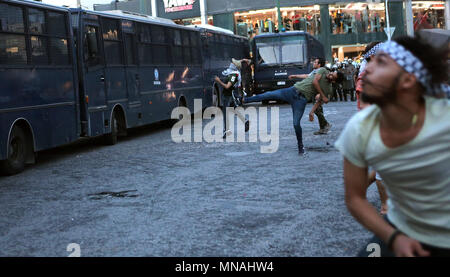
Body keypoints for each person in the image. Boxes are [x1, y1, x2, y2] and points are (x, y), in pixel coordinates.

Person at [335, 35, 450, 257]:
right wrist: (394, 237)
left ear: (407, 80)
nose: (366, 70)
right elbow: (354, 198)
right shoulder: (361, 128)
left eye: (381, 62)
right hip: (402, 229)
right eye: (370, 61)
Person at [242, 59, 344, 154]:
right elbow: (314, 81)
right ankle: (245, 100)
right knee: (268, 94)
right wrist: (322, 95)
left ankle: (300, 146)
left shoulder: (329, 89)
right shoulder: (323, 70)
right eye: (332, 73)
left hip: (301, 101)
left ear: (334, 81)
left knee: (296, 124)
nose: (330, 75)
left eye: (332, 76)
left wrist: (312, 112)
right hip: (292, 91)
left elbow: (320, 102)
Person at [214, 59, 250, 138]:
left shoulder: (234, 75)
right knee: (234, 110)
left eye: (232, 63)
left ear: (234, 66)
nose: (231, 63)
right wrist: (243, 60)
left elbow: (227, 86)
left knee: (225, 113)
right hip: (228, 95)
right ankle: (245, 121)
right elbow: (238, 63)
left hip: (229, 96)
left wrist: (219, 81)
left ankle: (226, 131)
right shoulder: (231, 72)